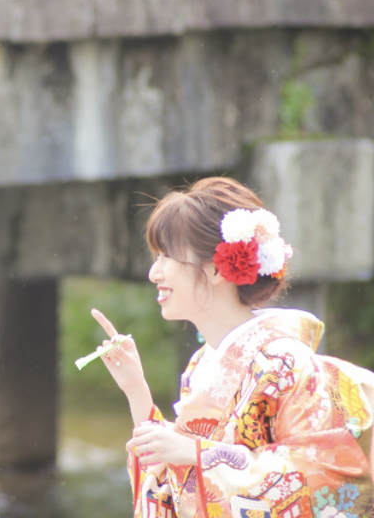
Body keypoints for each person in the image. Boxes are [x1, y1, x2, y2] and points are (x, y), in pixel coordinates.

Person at [92, 177, 373, 518]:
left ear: (214, 268)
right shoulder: (200, 364)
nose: (155, 272)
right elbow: (181, 483)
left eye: (167, 256)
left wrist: (199, 453)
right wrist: (137, 392)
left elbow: (321, 476)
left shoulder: (285, 361)